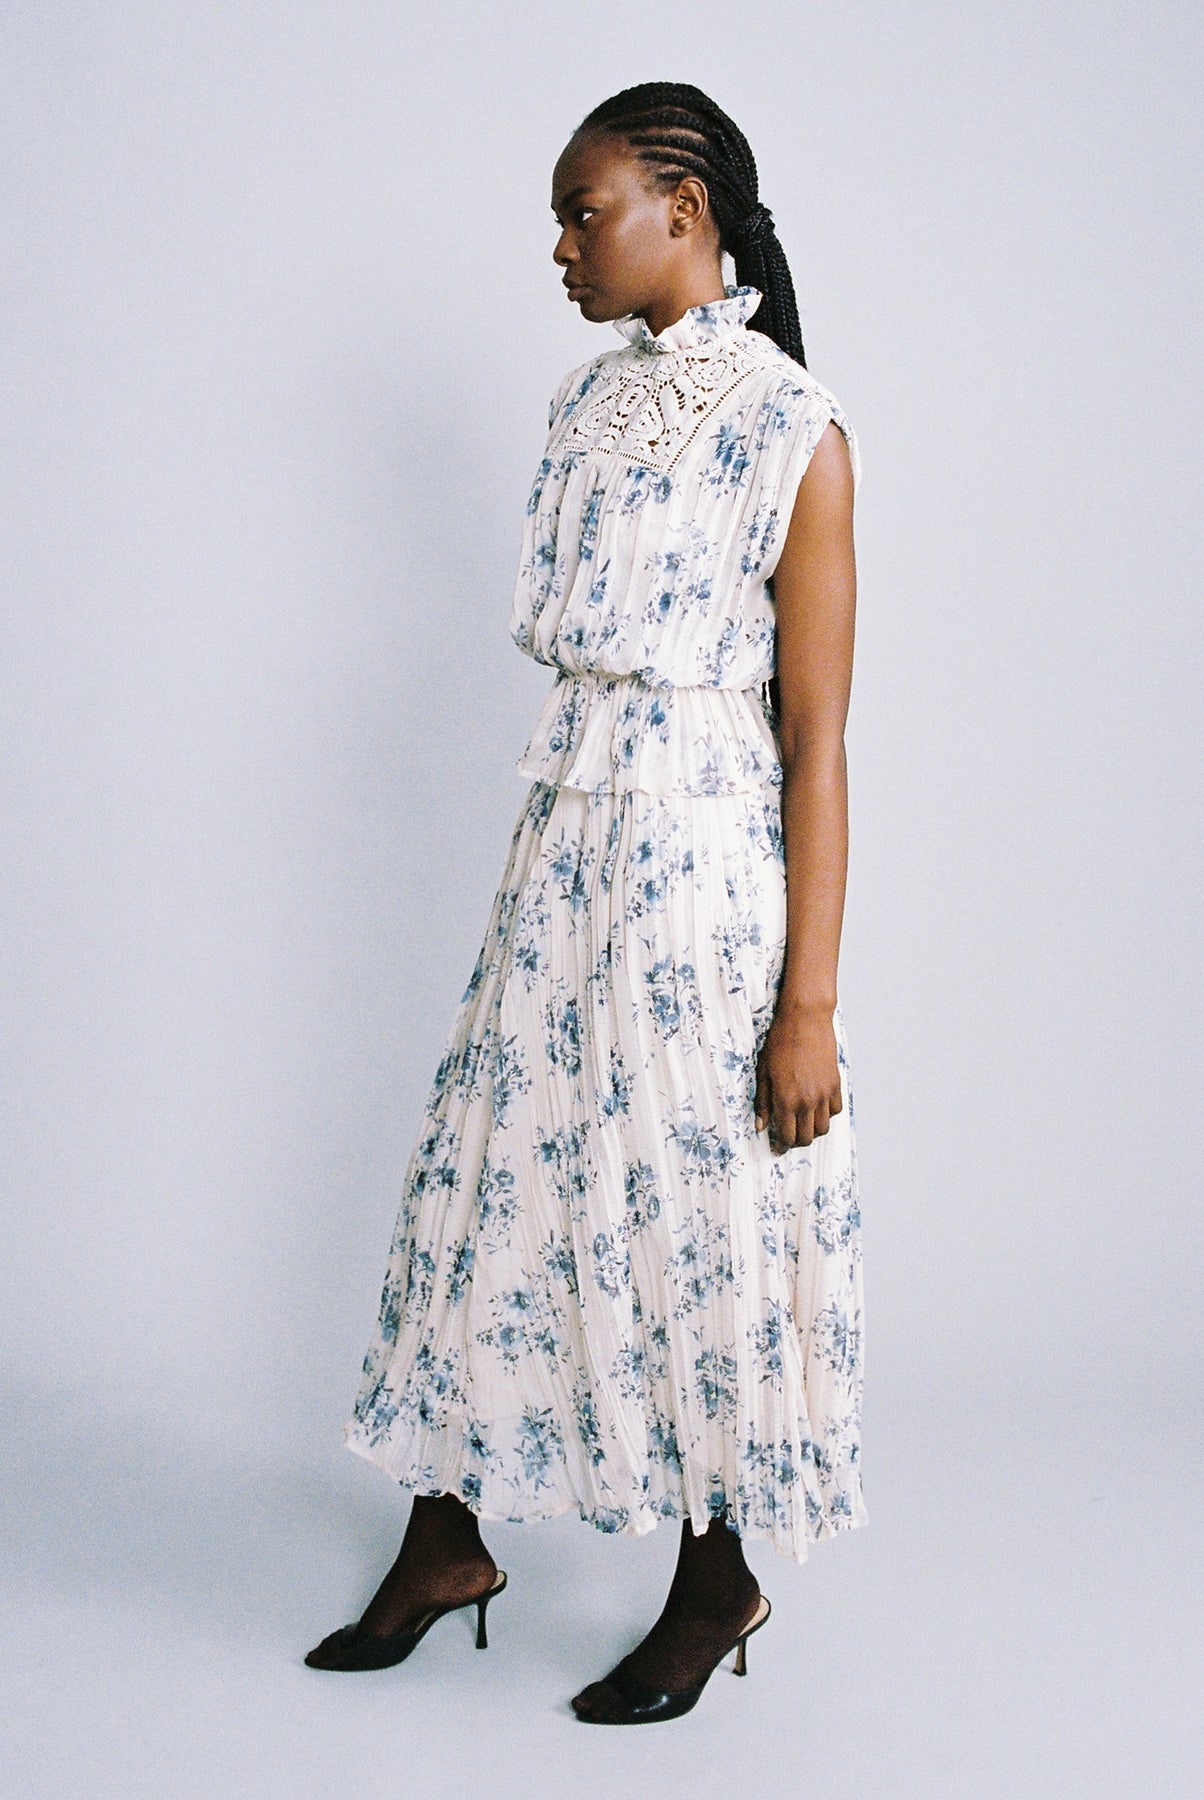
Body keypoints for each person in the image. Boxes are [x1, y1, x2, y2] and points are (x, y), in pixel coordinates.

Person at [305, 81, 866, 1725]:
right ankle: (446, 1537)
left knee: (695, 1207)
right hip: (562, 851)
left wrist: (809, 1005)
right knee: (495, 1179)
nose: (561, 247)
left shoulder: (796, 429)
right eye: (559, 218)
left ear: (684, 211)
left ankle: (717, 1571)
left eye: (583, 211)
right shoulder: (581, 400)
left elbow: (819, 740)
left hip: (703, 877)